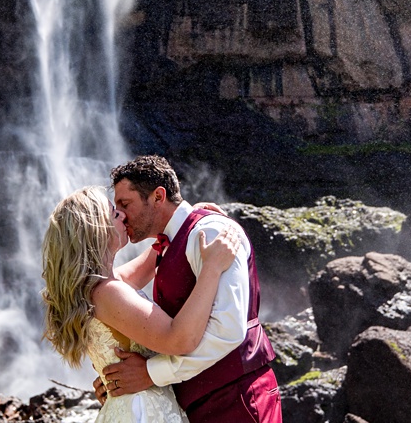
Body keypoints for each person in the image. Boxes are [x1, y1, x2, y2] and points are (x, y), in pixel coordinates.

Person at [97, 155, 282, 423]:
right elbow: (113, 292)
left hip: (238, 398)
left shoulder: (211, 233)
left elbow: (228, 330)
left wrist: (150, 373)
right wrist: (112, 377)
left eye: (126, 204)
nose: (121, 216)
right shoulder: (170, 242)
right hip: (197, 404)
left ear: (158, 197)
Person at [41, 185, 242, 422]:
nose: (123, 215)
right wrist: (212, 268)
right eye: (114, 213)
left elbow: (154, 255)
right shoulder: (109, 292)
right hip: (143, 411)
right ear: (96, 230)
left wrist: (183, 219)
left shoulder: (98, 286)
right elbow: (179, 339)